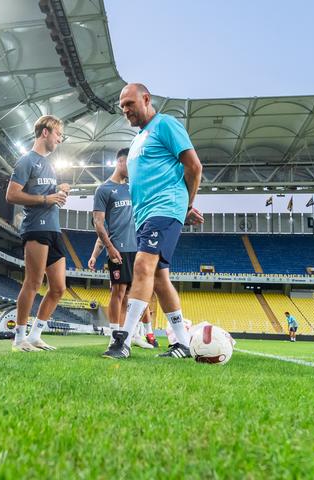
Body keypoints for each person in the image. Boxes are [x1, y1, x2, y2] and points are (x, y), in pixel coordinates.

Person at [103, 83, 203, 359]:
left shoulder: (165, 125)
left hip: (164, 209)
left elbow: (194, 166)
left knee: (142, 265)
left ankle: (122, 340)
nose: (125, 110)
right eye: (122, 106)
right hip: (146, 216)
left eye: (130, 104)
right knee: (159, 278)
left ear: (146, 99)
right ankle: (182, 343)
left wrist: (186, 205)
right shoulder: (138, 139)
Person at [6, 115, 70, 353]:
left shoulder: (50, 165)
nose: (59, 139)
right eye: (58, 134)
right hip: (36, 227)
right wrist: (46, 198)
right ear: (45, 132)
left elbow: (49, 196)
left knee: (58, 288)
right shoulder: (26, 161)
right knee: (33, 282)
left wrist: (58, 191)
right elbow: (11, 195)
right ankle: (19, 338)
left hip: (54, 228)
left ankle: (35, 336)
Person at [89, 148, 156, 349]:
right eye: (130, 164)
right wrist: (108, 248)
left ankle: (130, 334)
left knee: (132, 294)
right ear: (120, 162)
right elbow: (98, 224)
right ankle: (113, 336)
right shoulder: (104, 190)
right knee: (118, 292)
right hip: (118, 248)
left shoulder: (132, 188)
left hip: (138, 248)